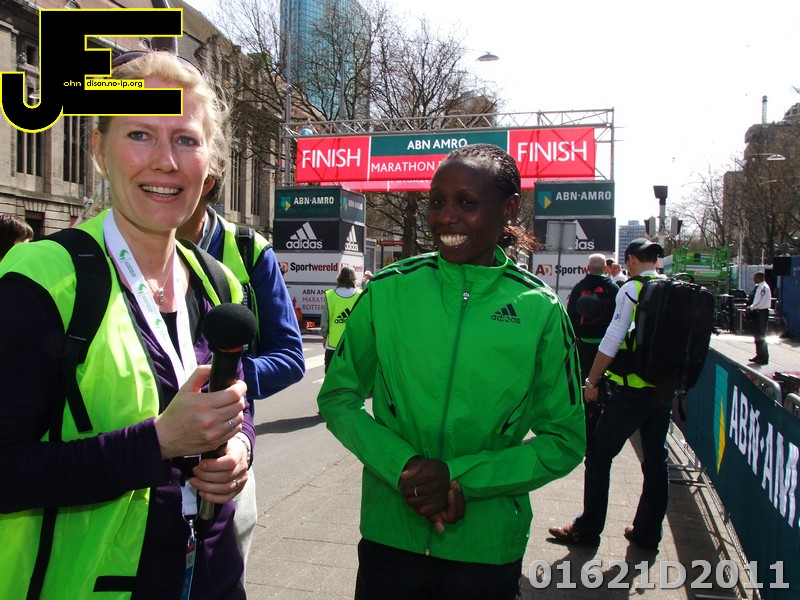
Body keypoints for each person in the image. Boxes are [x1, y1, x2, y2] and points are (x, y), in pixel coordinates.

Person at [0, 51, 253, 599]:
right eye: (140, 134)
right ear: (99, 149)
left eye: (186, 140)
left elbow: (235, 403)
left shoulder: (219, 285)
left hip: (214, 575)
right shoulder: (41, 281)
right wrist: (157, 442)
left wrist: (240, 449)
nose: (166, 161)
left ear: (209, 163)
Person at [317, 143, 585, 599]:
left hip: (486, 549)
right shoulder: (387, 291)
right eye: (437, 201)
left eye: (466, 202)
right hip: (389, 538)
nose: (445, 217)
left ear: (508, 208)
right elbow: (338, 398)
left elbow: (565, 440)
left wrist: (461, 478)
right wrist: (404, 468)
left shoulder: (540, 311)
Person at [177, 186, 305, 577]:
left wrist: (225, 377)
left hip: (221, 466)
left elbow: (290, 358)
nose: (165, 165)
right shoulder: (105, 250)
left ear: (211, 181)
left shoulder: (249, 250)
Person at [549, 238, 672, 553]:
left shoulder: (632, 289)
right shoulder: (671, 287)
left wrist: (591, 380)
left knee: (599, 456)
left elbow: (613, 338)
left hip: (631, 392)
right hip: (663, 390)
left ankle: (588, 528)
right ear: (656, 261)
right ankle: (648, 533)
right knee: (656, 461)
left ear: (630, 260)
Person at [565, 252, 618, 443]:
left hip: (584, 345)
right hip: (608, 347)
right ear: (605, 268)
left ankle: (585, 427)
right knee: (608, 387)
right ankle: (602, 430)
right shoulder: (613, 288)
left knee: (586, 384)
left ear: (587, 268)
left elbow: (570, 315)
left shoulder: (580, 287)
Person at [319, 266, 361, 373]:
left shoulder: (331, 295)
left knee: (331, 373)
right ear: (354, 279)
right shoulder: (360, 295)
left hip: (333, 343)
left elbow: (325, 318)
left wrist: (324, 335)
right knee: (352, 374)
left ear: (339, 279)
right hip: (353, 342)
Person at [745, 271, 772, 365]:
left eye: (755, 277)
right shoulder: (758, 287)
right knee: (757, 335)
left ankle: (764, 357)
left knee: (761, 335)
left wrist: (751, 307)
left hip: (761, 312)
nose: (753, 279)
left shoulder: (764, 287)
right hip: (757, 312)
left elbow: (761, 302)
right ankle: (759, 355)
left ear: (759, 277)